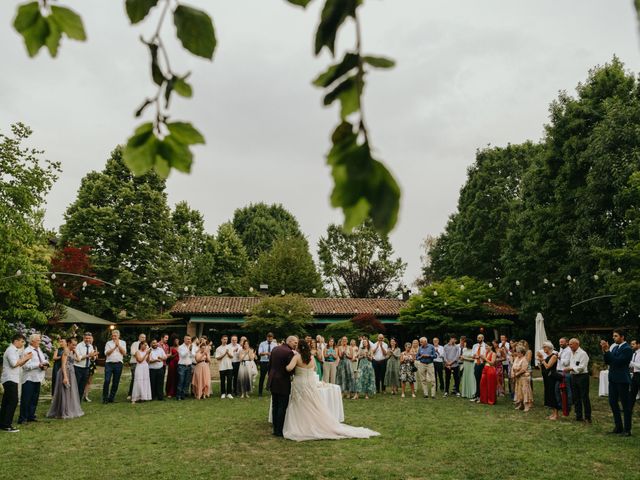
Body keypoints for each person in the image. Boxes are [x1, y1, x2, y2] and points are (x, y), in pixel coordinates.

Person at [281, 340, 380, 441]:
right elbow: (314, 369)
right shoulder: (311, 357)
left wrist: (284, 365)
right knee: (311, 403)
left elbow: (289, 368)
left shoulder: (297, 357)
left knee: (300, 404)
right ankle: (313, 423)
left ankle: (302, 424)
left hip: (300, 383)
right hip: (310, 383)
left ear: (299, 348)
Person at [601, 329, 633, 436]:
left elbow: (617, 362)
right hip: (613, 379)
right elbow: (608, 361)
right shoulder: (614, 347)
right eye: (613, 336)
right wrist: (605, 351)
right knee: (613, 402)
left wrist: (608, 351)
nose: (613, 338)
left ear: (622, 337)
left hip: (622, 379)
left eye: (616, 336)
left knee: (625, 405)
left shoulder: (627, 349)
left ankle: (627, 430)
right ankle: (618, 426)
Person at [47, 337, 84, 419]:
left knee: (69, 391)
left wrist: (75, 351)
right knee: (64, 392)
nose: (74, 346)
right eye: (73, 344)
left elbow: (78, 359)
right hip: (65, 372)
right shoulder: (65, 351)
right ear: (68, 343)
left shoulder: (70, 351)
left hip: (71, 372)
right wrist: (65, 377)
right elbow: (63, 365)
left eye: (75, 345)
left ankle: (68, 409)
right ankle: (62, 411)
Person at [268, 336, 298, 437]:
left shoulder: (275, 349)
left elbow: (270, 365)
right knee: (282, 406)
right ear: (289, 341)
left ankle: (275, 428)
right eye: (295, 342)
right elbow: (290, 369)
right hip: (282, 382)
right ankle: (279, 431)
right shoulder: (289, 352)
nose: (296, 344)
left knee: (275, 405)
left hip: (273, 380)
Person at [1, 334, 30, 432]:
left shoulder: (14, 351)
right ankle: (7, 425)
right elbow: (14, 364)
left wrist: (26, 358)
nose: (22, 344)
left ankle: (2, 422)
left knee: (6, 401)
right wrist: (25, 358)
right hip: (10, 379)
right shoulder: (11, 350)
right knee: (13, 401)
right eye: (22, 342)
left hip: (12, 378)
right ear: (16, 341)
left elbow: (19, 364)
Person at [19, 333, 48, 424]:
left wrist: (45, 364)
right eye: (38, 340)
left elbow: (42, 360)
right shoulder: (27, 351)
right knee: (26, 399)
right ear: (32, 341)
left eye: (39, 340)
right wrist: (38, 365)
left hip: (37, 377)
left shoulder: (38, 349)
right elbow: (25, 366)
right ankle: (23, 418)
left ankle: (31, 416)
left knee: (34, 398)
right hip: (29, 378)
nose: (40, 341)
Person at [564, 338, 591, 423]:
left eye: (571, 344)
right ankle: (578, 416)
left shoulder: (583, 354)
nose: (570, 346)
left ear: (577, 344)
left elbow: (582, 367)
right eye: (569, 344)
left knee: (584, 397)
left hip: (582, 376)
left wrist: (571, 368)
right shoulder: (572, 353)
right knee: (575, 397)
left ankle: (587, 417)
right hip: (573, 376)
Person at [103, 329, 126, 404]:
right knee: (107, 380)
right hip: (109, 364)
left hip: (118, 364)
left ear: (118, 336)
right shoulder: (108, 343)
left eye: (115, 336)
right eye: (112, 335)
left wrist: (118, 345)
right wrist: (114, 347)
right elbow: (107, 353)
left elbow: (124, 353)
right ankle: (105, 398)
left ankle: (111, 398)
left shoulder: (123, 342)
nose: (113, 337)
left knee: (116, 382)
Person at [536, 341, 559, 420]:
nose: (543, 348)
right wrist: (541, 362)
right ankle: (552, 413)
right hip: (546, 378)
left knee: (553, 394)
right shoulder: (547, 357)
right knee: (549, 394)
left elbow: (548, 366)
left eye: (544, 347)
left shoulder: (554, 356)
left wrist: (542, 360)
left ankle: (556, 414)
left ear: (549, 347)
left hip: (551, 378)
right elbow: (542, 368)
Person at [73, 332, 97, 402]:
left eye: (89, 338)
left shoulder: (91, 346)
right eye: (86, 338)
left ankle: (79, 402)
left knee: (82, 386)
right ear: (83, 338)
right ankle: (73, 401)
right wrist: (88, 355)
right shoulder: (79, 346)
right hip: (78, 368)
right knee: (76, 385)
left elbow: (92, 357)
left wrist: (93, 357)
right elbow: (78, 358)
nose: (88, 340)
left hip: (86, 368)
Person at [512, 345, 533, 412]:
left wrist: (516, 374)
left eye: (518, 352)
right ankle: (521, 404)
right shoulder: (516, 358)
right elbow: (513, 367)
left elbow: (523, 369)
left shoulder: (524, 359)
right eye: (517, 352)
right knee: (518, 391)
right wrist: (513, 374)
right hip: (518, 378)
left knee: (525, 391)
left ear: (522, 353)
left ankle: (526, 406)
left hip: (524, 377)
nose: (517, 353)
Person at [555, 337, 572, 416]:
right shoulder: (561, 349)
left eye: (562, 342)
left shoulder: (569, 351)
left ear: (567, 342)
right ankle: (561, 406)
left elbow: (566, 363)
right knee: (557, 390)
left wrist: (559, 357)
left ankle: (568, 407)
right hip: (559, 372)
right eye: (560, 342)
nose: (560, 343)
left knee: (567, 391)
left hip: (565, 373)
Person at [257, 332, 278, 396]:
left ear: (272, 338)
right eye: (269, 337)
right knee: (262, 377)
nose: (270, 339)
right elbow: (259, 353)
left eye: (271, 338)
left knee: (272, 377)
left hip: (272, 362)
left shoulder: (275, 344)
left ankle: (272, 391)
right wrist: (267, 353)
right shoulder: (262, 344)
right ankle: (260, 392)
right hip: (264, 362)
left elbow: (277, 353)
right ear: (267, 337)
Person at [127, 333, 146, 400]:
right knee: (135, 378)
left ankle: (140, 393)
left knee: (142, 379)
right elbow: (132, 352)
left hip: (143, 364)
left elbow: (147, 353)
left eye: (144, 337)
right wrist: (139, 357)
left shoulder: (146, 345)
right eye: (142, 337)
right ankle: (130, 393)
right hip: (135, 363)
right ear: (139, 337)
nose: (143, 338)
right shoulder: (135, 344)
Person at [176, 335, 195, 401]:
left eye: (189, 339)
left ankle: (183, 395)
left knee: (187, 382)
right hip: (182, 366)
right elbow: (183, 355)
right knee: (181, 381)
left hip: (189, 366)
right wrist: (188, 349)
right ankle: (178, 396)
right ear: (184, 339)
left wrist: (191, 350)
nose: (189, 340)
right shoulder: (180, 347)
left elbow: (193, 356)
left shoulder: (191, 347)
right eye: (187, 339)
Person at [471, 334, 487, 402]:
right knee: (477, 380)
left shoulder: (485, 346)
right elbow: (472, 355)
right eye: (478, 338)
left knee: (482, 381)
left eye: (480, 338)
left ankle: (481, 396)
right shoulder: (475, 346)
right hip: (476, 364)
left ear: (483, 338)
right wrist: (475, 356)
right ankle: (477, 395)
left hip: (482, 364)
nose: (478, 339)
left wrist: (481, 356)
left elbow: (486, 355)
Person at [630, 339, 640, 413]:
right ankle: (629, 409)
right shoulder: (634, 354)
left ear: (638, 345)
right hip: (635, 375)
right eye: (631, 344)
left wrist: (631, 363)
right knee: (632, 393)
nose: (631, 345)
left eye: (633, 344)